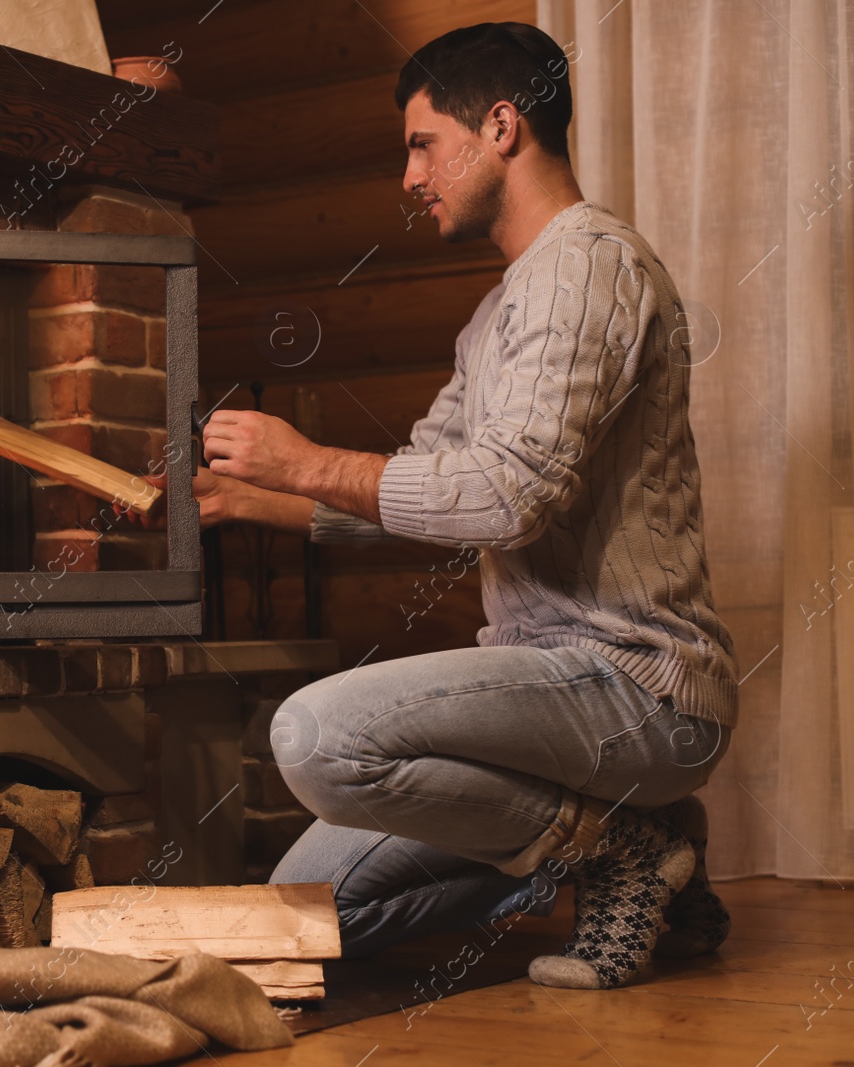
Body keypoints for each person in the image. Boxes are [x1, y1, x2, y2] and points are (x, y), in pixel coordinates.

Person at [193, 22, 738, 989]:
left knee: (316, 737)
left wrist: (308, 458)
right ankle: (638, 853)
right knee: (302, 920)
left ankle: (612, 847)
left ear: (500, 126)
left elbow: (505, 498)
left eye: (419, 143)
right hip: (541, 707)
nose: (410, 177)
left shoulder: (588, 268)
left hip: (637, 690)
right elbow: (426, 480)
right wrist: (254, 496)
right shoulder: (498, 313)